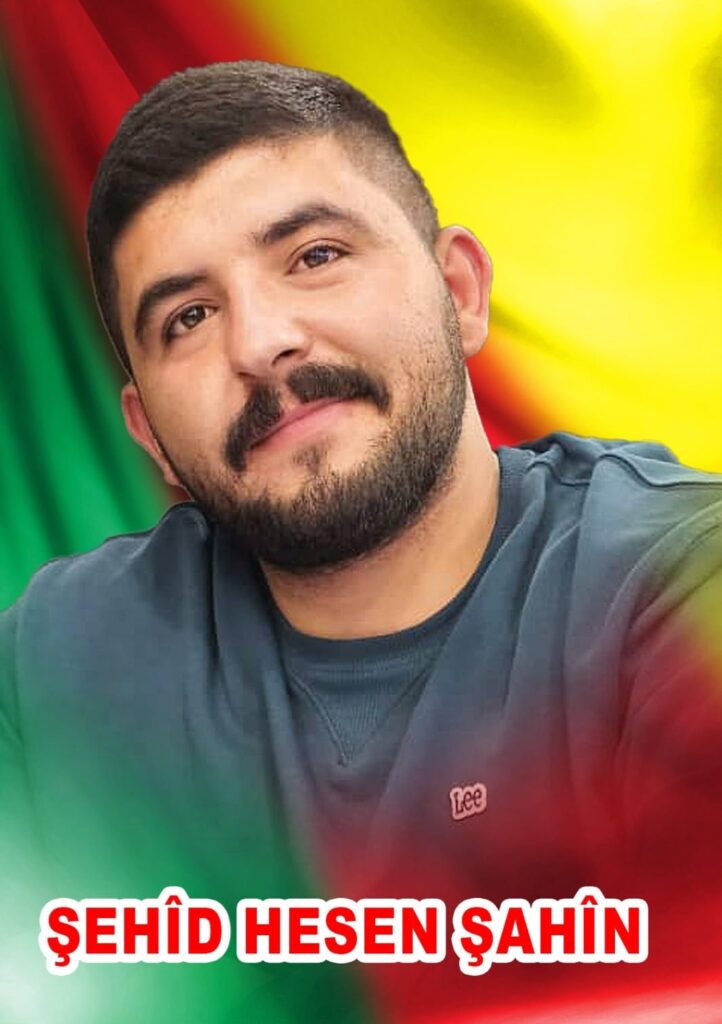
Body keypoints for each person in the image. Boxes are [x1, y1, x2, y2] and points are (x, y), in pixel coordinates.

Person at [2, 60, 722, 1022]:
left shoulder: (679, 583)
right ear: (150, 436)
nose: (259, 343)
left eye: (314, 255)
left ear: (459, 292)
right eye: (189, 317)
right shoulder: (50, 663)